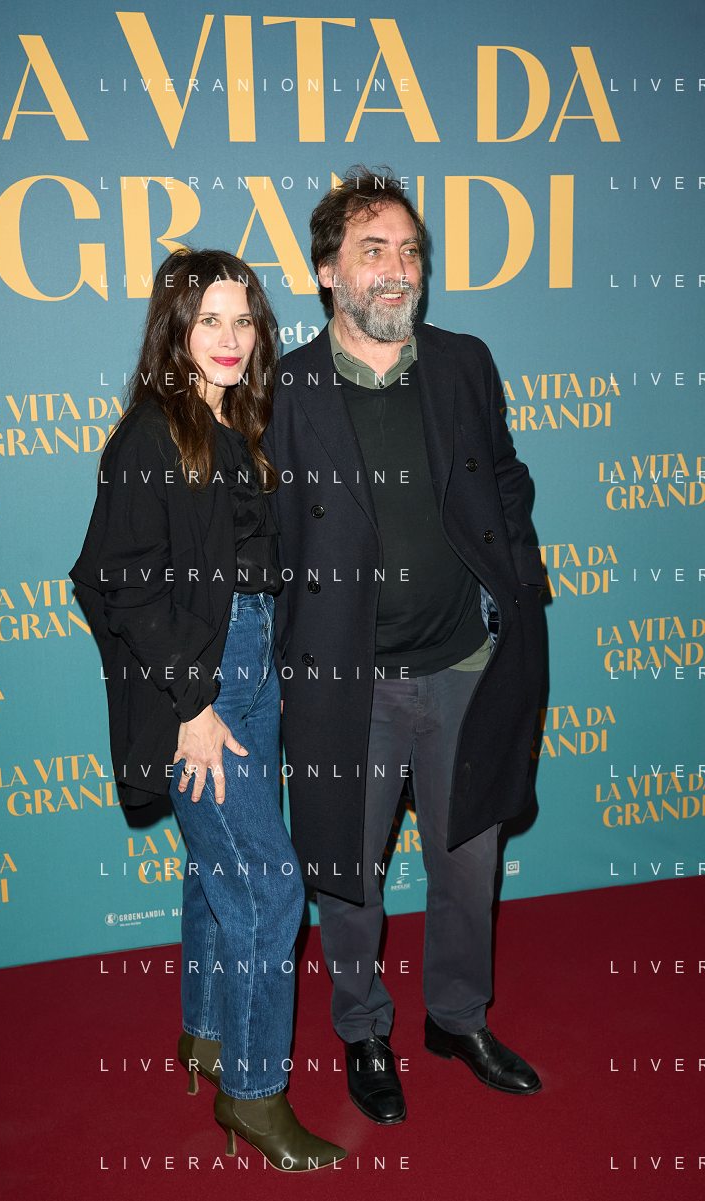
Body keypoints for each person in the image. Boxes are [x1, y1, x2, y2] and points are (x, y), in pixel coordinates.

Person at [264, 167, 545, 1125]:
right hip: (351, 685)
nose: (396, 270)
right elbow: (265, 536)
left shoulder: (463, 363)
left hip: (465, 664)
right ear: (327, 270)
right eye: (373, 250)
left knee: (470, 861)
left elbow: (505, 477)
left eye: (410, 251)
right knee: (348, 872)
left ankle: (457, 1018)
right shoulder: (285, 389)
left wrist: (521, 582)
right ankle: (364, 1030)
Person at [70, 249, 346, 1170]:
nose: (230, 339)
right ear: (175, 332)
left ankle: (207, 1035)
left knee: (213, 867)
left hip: (255, 663)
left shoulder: (240, 421)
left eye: (244, 319)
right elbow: (117, 579)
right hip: (204, 680)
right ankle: (255, 1096)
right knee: (269, 886)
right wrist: (190, 704)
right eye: (208, 321)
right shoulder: (151, 436)